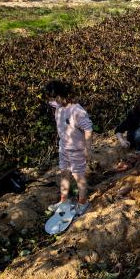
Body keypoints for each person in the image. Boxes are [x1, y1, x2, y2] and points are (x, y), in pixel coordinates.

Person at [44, 80, 93, 216]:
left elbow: (88, 128)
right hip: (63, 147)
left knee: (78, 175)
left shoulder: (77, 111)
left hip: (76, 149)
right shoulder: (58, 108)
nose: (50, 101)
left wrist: (88, 149)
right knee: (64, 173)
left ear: (59, 96)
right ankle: (63, 200)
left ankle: (83, 202)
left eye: (52, 98)